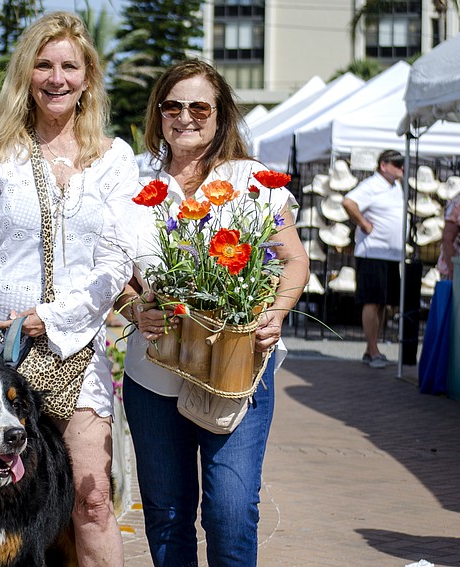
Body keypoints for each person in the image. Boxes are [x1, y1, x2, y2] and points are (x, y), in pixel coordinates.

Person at [0, 11, 138, 566]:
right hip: (2, 350)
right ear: (26, 75)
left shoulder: (115, 159)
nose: (57, 78)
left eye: (69, 66)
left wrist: (52, 318)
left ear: (88, 77)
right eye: (44, 65)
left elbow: (116, 259)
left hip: (76, 349)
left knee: (92, 496)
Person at [116, 59, 308, 566]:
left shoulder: (254, 181)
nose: (185, 116)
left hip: (237, 371)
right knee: (168, 513)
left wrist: (277, 312)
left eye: (199, 106)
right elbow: (109, 274)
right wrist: (135, 309)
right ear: (158, 115)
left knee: (231, 509)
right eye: (172, 106)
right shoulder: (131, 182)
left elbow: (294, 261)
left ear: (220, 115)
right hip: (153, 374)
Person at [341, 149, 405, 369]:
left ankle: (371, 349)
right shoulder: (371, 184)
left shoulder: (395, 186)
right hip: (373, 253)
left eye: (402, 164)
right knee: (372, 301)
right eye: (396, 164)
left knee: (382, 303)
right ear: (383, 165)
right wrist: (364, 224)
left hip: (389, 255)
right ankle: (373, 349)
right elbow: (348, 202)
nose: (401, 168)